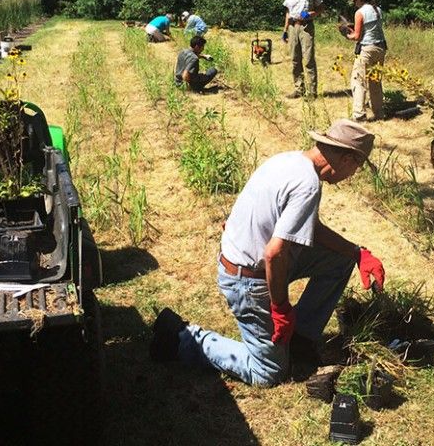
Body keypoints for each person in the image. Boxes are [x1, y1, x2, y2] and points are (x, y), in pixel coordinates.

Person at [150, 120, 387, 386]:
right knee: (268, 372)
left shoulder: (288, 160)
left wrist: (357, 253)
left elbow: (310, 227)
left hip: (248, 261)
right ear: (346, 159)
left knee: (339, 259)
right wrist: (281, 308)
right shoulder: (308, 184)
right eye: (357, 167)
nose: (353, 175)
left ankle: (300, 338)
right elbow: (275, 254)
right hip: (248, 280)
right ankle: (181, 337)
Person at [345, 0, 387, 122]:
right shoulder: (378, 10)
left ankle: (359, 114)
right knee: (375, 81)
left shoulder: (360, 12)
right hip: (381, 47)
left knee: (358, 80)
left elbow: (357, 36)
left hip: (367, 49)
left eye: (354, 0)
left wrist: (347, 35)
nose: (354, 3)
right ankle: (379, 112)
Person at [282, 0, 324, 98]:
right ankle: (299, 89)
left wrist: (311, 14)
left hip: (306, 27)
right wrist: (285, 30)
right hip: (293, 27)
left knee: (308, 59)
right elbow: (288, 11)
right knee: (295, 59)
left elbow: (321, 8)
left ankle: (312, 92)